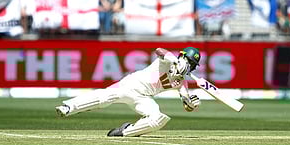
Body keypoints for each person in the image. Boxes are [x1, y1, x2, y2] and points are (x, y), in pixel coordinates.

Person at [55, 47, 202, 137]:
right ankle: (68, 107)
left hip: (144, 98)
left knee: (158, 118)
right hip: (130, 85)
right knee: (104, 97)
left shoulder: (182, 82)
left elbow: (186, 105)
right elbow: (159, 50)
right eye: (190, 62)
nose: (191, 67)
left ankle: (124, 132)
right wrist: (175, 62)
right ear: (182, 57)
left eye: (193, 65)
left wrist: (191, 103)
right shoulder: (167, 60)